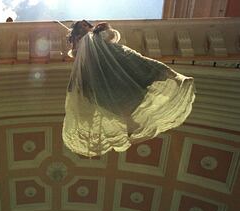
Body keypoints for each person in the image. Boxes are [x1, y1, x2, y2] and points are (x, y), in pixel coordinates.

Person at [63, 20, 195, 156]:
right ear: (78, 30)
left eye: (86, 25)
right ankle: (130, 125)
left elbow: (110, 37)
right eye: (82, 25)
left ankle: (176, 79)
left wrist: (102, 29)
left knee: (145, 68)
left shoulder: (94, 36)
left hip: (115, 63)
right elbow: (78, 59)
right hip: (100, 73)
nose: (85, 27)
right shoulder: (83, 44)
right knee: (111, 100)